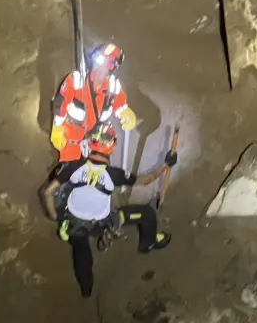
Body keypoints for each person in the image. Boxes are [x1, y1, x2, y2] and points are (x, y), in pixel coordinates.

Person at [41, 124, 176, 298]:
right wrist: (166, 164)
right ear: (112, 146)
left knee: (82, 255)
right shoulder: (114, 174)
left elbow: (47, 192)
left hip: (73, 224)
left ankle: (86, 289)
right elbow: (146, 180)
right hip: (102, 225)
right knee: (147, 214)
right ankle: (148, 243)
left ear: (90, 144)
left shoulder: (73, 167)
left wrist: (54, 216)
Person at [50, 42, 137, 163]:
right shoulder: (76, 80)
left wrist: (125, 112)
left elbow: (120, 104)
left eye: (104, 68)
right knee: (69, 171)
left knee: (98, 171)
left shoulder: (113, 87)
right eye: (97, 65)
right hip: (73, 136)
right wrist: (57, 127)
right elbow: (61, 104)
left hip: (97, 139)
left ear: (111, 69)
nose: (99, 71)